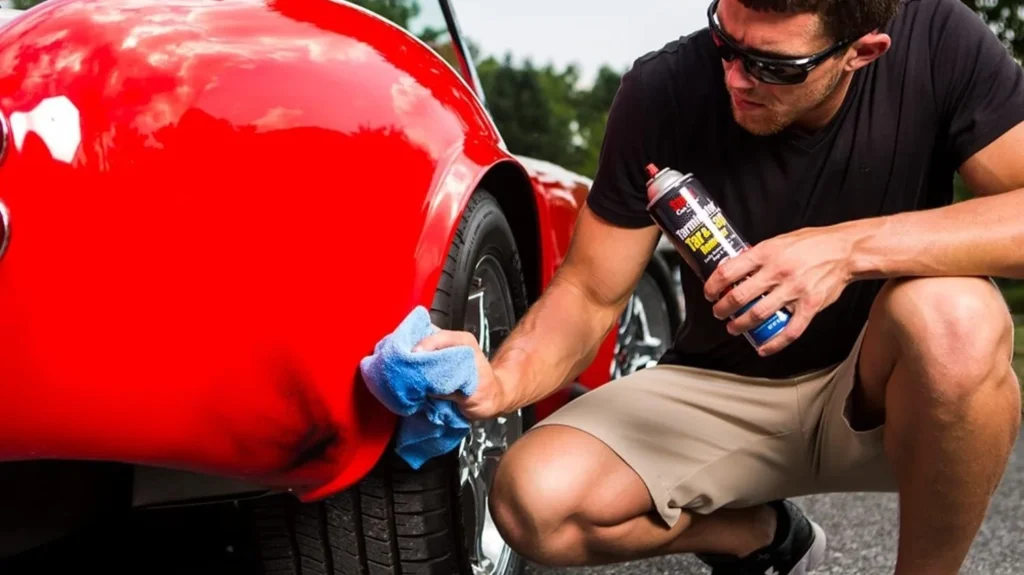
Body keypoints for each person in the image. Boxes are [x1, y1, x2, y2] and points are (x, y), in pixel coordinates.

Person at [416, 0, 1024, 572]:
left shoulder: (940, 38)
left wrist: (845, 249)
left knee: (955, 312)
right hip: (720, 389)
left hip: (884, 390)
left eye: (772, 66)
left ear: (861, 52)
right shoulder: (663, 90)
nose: (735, 77)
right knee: (533, 500)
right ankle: (763, 536)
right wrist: (500, 380)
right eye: (725, 42)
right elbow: (589, 293)